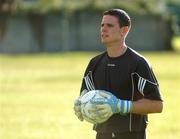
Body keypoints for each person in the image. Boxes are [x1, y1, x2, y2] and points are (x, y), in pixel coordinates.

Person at [74, 9, 163, 139]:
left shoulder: (138, 63)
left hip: (132, 135)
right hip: (102, 134)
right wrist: (81, 104)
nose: (103, 29)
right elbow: (86, 94)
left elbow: (157, 105)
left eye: (109, 25)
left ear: (124, 30)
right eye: (102, 25)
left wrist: (120, 106)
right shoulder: (94, 63)